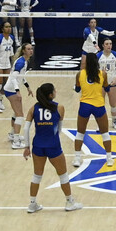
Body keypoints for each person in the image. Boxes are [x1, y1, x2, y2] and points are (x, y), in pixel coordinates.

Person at [23, 83, 82, 214]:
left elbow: (26, 128)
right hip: (53, 145)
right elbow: (59, 129)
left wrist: (26, 146)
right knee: (63, 175)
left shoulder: (34, 108)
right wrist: (54, 138)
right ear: (50, 95)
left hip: (38, 145)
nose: (56, 91)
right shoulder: (59, 108)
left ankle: (32, 204)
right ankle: (69, 202)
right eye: (54, 90)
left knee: (37, 176)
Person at [72, 52, 112, 157]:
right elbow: (107, 88)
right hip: (99, 105)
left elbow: (77, 90)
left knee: (80, 133)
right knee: (105, 133)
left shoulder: (80, 74)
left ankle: (77, 158)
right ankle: (109, 158)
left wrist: (77, 85)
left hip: (85, 105)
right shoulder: (103, 74)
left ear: (86, 62)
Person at [0, 42, 33, 148]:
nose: (31, 50)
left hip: (11, 89)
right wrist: (17, 91)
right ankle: (16, 142)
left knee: (16, 113)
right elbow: (13, 77)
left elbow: (21, 76)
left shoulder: (24, 61)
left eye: (31, 48)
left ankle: (12, 134)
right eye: (28, 49)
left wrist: (27, 86)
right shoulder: (20, 62)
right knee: (20, 115)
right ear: (23, 51)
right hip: (11, 90)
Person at [100, 36, 116, 124]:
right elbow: (95, 70)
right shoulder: (98, 56)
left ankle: (114, 121)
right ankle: (101, 123)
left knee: (113, 104)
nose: (109, 46)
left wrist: (115, 78)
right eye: (107, 44)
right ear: (103, 45)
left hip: (112, 83)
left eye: (110, 44)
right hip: (101, 84)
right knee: (101, 104)